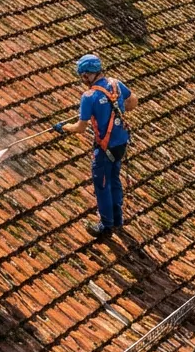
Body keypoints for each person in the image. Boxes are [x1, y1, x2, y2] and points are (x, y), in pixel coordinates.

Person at [54, 54, 137, 240]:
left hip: (104, 148)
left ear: (88, 75)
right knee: (114, 179)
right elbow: (133, 101)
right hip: (121, 143)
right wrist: (115, 110)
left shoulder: (89, 96)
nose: (83, 80)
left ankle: (105, 225)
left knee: (102, 185)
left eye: (83, 76)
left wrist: (64, 127)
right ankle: (117, 219)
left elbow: (80, 128)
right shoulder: (116, 84)